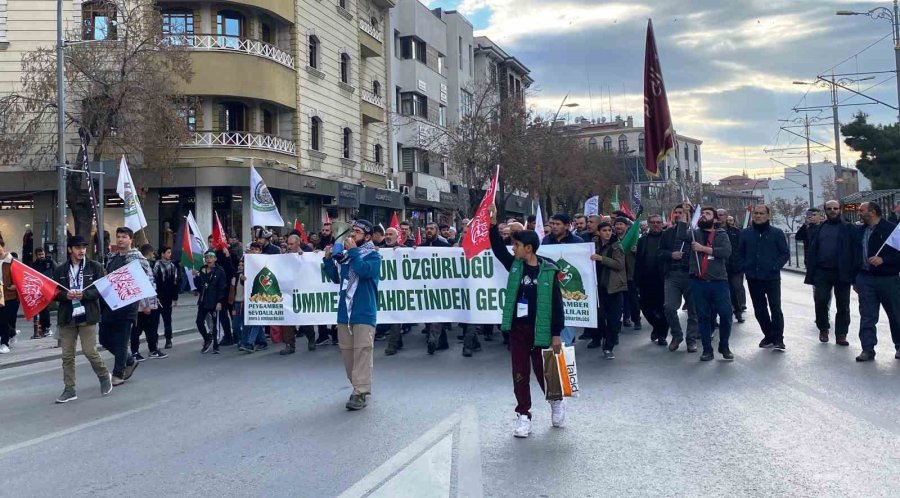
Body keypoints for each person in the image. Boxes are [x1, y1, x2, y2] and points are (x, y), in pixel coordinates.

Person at [488, 203, 566, 438]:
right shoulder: (514, 265)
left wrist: (555, 334)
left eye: (517, 245)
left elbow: (557, 305)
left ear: (529, 248)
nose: (513, 248)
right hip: (518, 329)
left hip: (540, 330)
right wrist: (493, 223)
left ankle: (556, 402)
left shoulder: (549, 271)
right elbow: (497, 249)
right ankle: (523, 415)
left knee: (544, 372)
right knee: (520, 372)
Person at [323, 219, 382, 411]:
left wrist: (354, 252)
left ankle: (360, 392)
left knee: (362, 352)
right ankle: (357, 385)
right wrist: (328, 259)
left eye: (357, 232)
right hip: (345, 314)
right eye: (352, 231)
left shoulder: (373, 256)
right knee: (348, 354)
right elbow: (336, 278)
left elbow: (364, 272)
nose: (352, 234)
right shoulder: (347, 257)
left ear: (366, 236)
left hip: (364, 312)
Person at [52, 235, 113, 403]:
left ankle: (103, 375)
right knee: (67, 356)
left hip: (88, 314)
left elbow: (102, 289)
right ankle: (69, 389)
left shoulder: (95, 267)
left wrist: (84, 294)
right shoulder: (61, 270)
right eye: (78, 247)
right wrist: (66, 295)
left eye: (84, 247)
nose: (82, 251)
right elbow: (55, 292)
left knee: (89, 350)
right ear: (70, 249)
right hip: (67, 316)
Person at [852, 202, 900, 361]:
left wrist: (883, 260)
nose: (859, 213)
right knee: (867, 315)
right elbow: (853, 256)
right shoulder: (860, 231)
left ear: (872, 212)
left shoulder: (892, 230)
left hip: (888, 279)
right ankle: (867, 348)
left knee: (895, 314)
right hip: (865, 278)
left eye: (862, 210)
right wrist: (855, 280)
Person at [739, 204, 790, 351]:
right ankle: (768, 335)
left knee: (775, 308)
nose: (758, 216)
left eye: (762, 213)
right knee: (760, 309)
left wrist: (775, 267)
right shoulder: (745, 233)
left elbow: (784, 253)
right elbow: (739, 253)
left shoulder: (777, 233)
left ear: (767, 215)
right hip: (753, 277)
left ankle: (779, 339)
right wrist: (745, 267)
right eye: (756, 213)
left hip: (772, 277)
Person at [804, 200, 854, 346]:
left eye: (835, 208)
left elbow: (854, 249)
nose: (833, 210)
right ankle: (823, 328)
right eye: (829, 208)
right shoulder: (818, 228)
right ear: (825, 211)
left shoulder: (848, 228)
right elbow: (811, 247)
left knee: (843, 305)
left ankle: (841, 334)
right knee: (820, 301)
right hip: (822, 272)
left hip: (842, 272)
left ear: (840, 210)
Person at [98, 228, 144, 385]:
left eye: (124, 237)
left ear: (131, 239)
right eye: (118, 237)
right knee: (104, 339)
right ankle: (130, 360)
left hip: (127, 306)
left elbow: (144, 280)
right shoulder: (111, 257)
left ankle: (118, 374)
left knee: (121, 341)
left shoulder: (137, 258)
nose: (120, 240)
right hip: (110, 305)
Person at [688, 207, 734, 361]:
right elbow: (681, 234)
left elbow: (726, 252)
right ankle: (707, 349)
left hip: (719, 281)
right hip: (699, 281)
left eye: (707, 214)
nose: (703, 215)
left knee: (726, 314)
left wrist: (703, 249)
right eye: (702, 213)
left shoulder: (721, 234)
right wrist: (684, 217)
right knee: (703, 316)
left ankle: (724, 345)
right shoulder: (695, 233)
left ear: (714, 219)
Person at [658, 203, 699, 353]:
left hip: (692, 275)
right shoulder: (667, 233)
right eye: (677, 212)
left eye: (683, 213)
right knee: (669, 307)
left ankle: (691, 339)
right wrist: (671, 255)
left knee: (694, 310)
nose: (679, 215)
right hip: (673, 275)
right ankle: (677, 335)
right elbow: (660, 252)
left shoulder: (696, 232)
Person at [586, 221, 627, 359]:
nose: (607, 233)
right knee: (599, 317)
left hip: (614, 287)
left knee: (614, 319)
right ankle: (604, 338)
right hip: (598, 287)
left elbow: (619, 264)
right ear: (598, 232)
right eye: (604, 230)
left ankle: (609, 347)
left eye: (609, 230)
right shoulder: (593, 245)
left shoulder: (616, 246)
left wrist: (601, 258)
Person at [635, 214, 668, 345]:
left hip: (663, 279)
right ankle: (657, 326)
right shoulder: (643, 240)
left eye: (658, 222)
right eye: (653, 222)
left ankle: (662, 334)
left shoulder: (667, 238)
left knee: (662, 309)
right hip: (645, 280)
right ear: (648, 224)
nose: (656, 224)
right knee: (645, 308)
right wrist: (636, 281)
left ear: (662, 224)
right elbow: (638, 261)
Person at [281, 234, 317, 354]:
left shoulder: (307, 255)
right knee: (287, 319)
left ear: (298, 243)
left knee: (304, 318)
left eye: (292, 244)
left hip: (302, 290)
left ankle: (311, 338)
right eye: (288, 244)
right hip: (288, 292)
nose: (289, 246)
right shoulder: (284, 257)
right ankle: (289, 345)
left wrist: (312, 256)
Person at [130, 244, 166, 361]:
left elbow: (150, 285)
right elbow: (142, 286)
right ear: (149, 252)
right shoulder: (142, 266)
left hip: (150, 301)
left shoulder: (146, 265)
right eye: (152, 252)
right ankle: (135, 352)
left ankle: (152, 349)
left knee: (149, 329)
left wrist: (155, 298)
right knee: (138, 329)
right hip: (143, 305)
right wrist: (145, 305)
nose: (154, 255)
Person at [194, 250, 227, 354]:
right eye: (207, 257)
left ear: (215, 259)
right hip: (203, 301)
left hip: (214, 300)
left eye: (211, 257)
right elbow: (199, 286)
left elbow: (222, 287)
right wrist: (196, 277)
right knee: (199, 322)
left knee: (215, 324)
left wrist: (219, 302)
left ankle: (216, 345)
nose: (208, 259)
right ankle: (207, 337)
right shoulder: (202, 270)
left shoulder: (219, 271)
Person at [614, 217, 641, 330]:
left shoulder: (632, 238)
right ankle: (620, 320)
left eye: (621, 224)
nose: (619, 226)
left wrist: (636, 251)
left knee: (632, 299)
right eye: (617, 224)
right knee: (617, 300)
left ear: (627, 226)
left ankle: (636, 320)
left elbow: (641, 255)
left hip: (629, 273)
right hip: (615, 274)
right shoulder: (612, 238)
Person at [719, 211, 746, 323]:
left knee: (735, 289)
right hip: (719, 267)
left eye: (721, 215)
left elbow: (742, 248)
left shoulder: (735, 231)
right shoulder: (713, 231)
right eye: (718, 215)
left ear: (726, 216)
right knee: (720, 292)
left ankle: (738, 311)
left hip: (734, 266)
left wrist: (741, 263)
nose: (719, 217)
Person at [155, 246, 180, 349]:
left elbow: (175, 283)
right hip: (157, 297)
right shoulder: (156, 265)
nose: (170, 254)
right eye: (168, 252)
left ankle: (168, 339)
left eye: (170, 252)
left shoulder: (173, 267)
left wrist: (175, 298)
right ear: (162, 254)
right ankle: (154, 341)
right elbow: (153, 281)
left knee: (167, 319)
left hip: (168, 297)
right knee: (155, 321)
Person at [30, 247, 56, 338]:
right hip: (38, 289)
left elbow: (54, 272)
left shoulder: (50, 262)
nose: (41, 256)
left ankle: (46, 328)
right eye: (39, 255)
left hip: (47, 288)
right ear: (36, 255)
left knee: (44, 308)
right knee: (41, 309)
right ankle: (43, 328)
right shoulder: (34, 264)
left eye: (42, 254)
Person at [0, 239, 20, 354]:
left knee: (4, 319)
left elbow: (22, 278)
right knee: (2, 320)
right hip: (0, 295)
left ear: (2, 246)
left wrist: (16, 286)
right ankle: (12, 333)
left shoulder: (13, 261)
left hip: (11, 295)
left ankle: (4, 343)